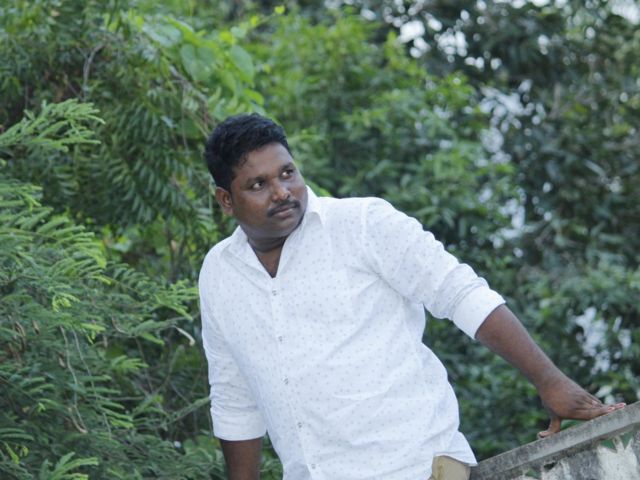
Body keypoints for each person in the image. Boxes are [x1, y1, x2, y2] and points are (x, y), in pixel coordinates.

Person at [198, 113, 624, 480]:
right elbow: (235, 398)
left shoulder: (363, 225)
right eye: (258, 184)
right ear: (226, 201)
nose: (282, 192)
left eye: (287, 173)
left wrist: (550, 381)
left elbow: (461, 294)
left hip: (417, 466)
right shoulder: (220, 275)